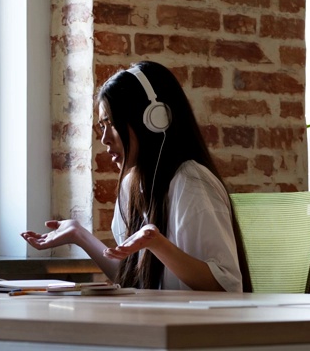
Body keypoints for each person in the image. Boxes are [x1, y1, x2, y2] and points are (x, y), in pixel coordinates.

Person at [21, 61, 250, 292]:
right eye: (102, 126)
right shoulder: (132, 185)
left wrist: (158, 244)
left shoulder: (191, 182)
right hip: (157, 321)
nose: (105, 139)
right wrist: (79, 234)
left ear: (155, 118)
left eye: (111, 123)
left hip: (197, 326)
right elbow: (130, 278)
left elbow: (226, 287)